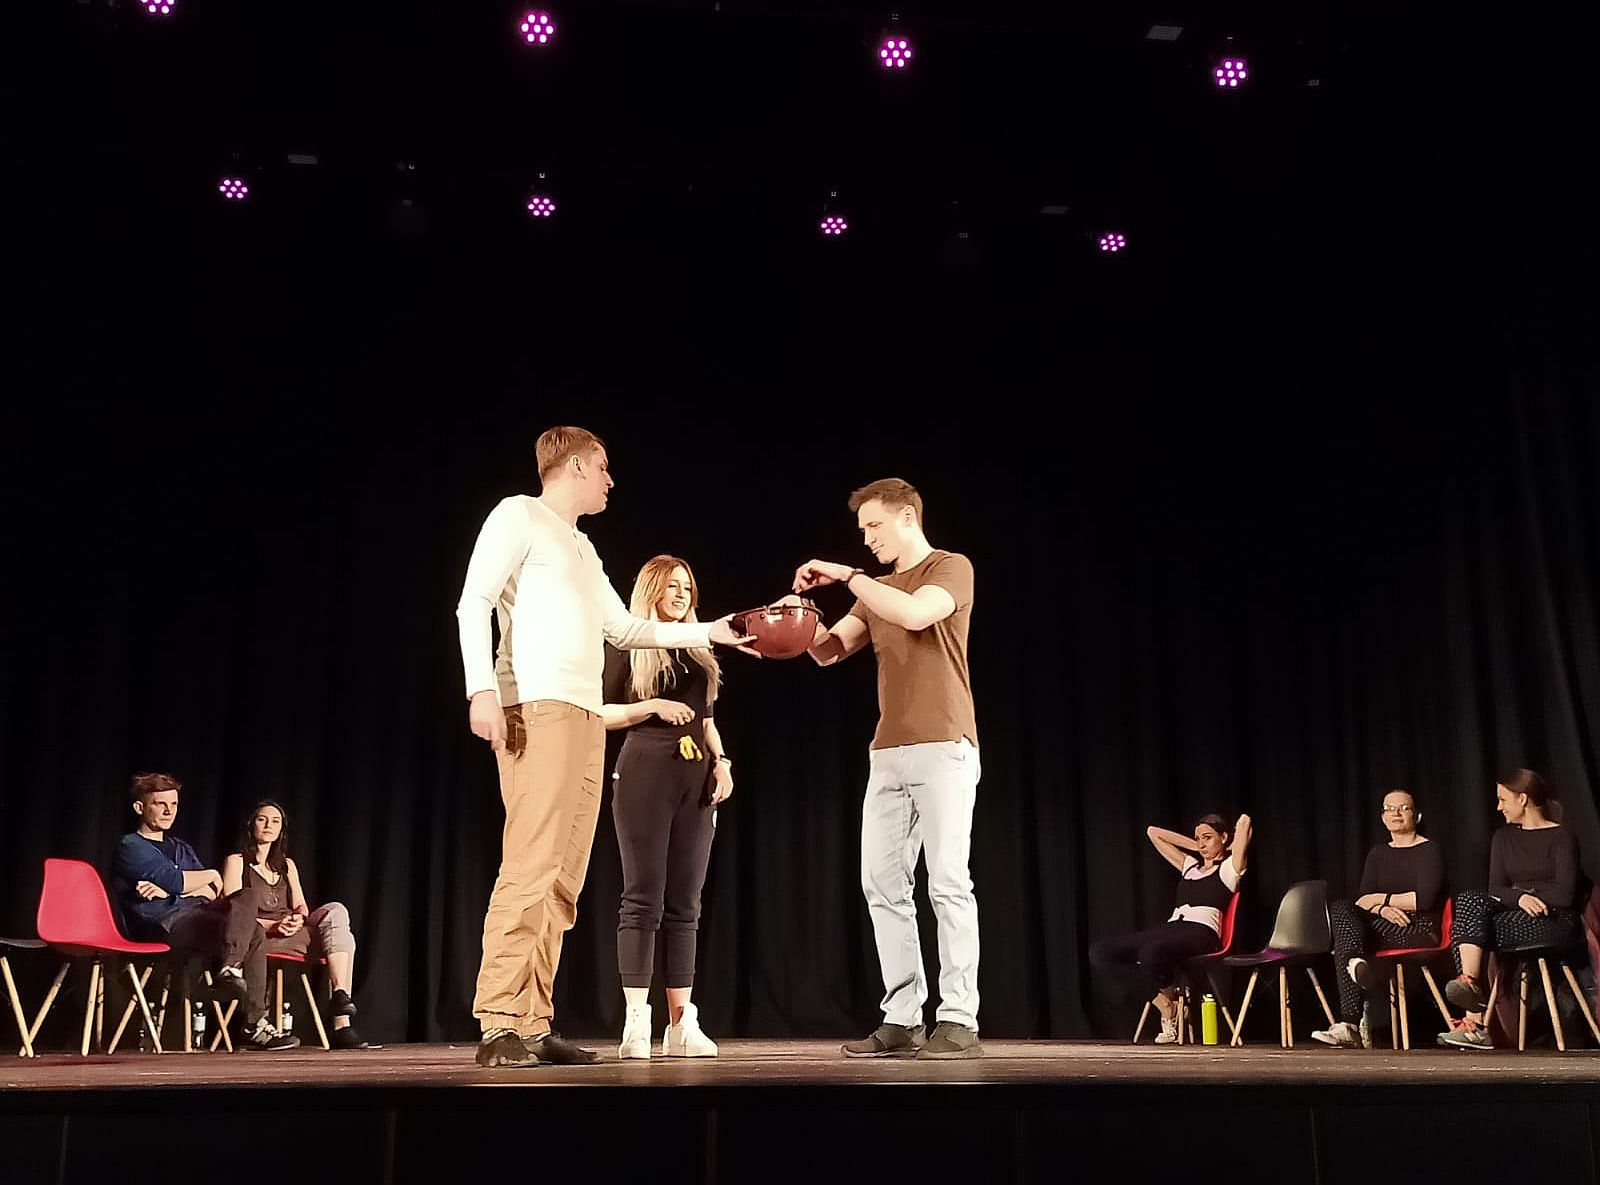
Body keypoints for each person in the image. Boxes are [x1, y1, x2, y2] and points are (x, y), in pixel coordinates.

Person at [456, 426, 754, 1068]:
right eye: (604, 468)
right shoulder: (519, 515)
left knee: (564, 877)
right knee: (531, 865)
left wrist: (713, 630)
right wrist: (481, 689)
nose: (611, 481)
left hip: (586, 712)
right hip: (537, 705)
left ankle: (533, 1023)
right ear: (577, 465)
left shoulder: (583, 547)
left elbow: (622, 627)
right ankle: (500, 1019)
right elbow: (472, 602)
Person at [794, 477, 983, 1060]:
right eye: (862, 531)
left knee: (947, 881)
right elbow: (829, 650)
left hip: (944, 743)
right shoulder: (873, 591)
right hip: (888, 750)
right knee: (882, 884)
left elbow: (918, 614)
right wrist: (796, 622)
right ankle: (902, 1017)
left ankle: (959, 1018)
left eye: (874, 526)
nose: (868, 539)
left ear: (907, 517)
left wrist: (848, 575)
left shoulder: (949, 567)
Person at [601, 556, 734, 1059]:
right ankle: (637, 1020)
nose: (681, 594)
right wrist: (651, 707)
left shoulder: (698, 648)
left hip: (694, 775)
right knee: (643, 897)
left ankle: (681, 1022)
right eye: (672, 586)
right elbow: (599, 712)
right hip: (645, 771)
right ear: (652, 589)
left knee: (686, 903)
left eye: (687, 587)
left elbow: (706, 719)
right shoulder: (627, 645)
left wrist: (722, 762)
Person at [110, 772, 297, 1051]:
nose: (168, 811)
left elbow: (213, 890)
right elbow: (184, 880)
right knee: (252, 929)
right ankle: (241, 993)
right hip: (163, 924)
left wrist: (174, 889)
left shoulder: (180, 848)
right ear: (140, 807)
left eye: (173, 804)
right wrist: (202, 877)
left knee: (250, 909)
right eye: (160, 804)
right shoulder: (131, 846)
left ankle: (245, 1004)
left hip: (198, 916)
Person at [1438, 768, 1581, 1049]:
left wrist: (1527, 898)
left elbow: (1565, 894)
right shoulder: (1503, 837)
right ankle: (1469, 986)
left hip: (1553, 920)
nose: (1498, 807)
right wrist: (1520, 899)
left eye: (1503, 799)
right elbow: (1496, 887)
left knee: (1469, 931)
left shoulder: (1562, 836)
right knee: (1468, 902)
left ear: (1523, 799)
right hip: (1514, 913)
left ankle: (1474, 1023)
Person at [1088, 812, 1253, 1044]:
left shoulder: (1228, 869)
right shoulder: (1189, 866)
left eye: (1207, 837)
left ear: (1224, 837)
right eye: (1198, 838)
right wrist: (1198, 846)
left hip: (1202, 932)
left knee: (1151, 953)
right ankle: (1164, 1003)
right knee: (1101, 953)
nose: (1201, 843)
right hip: (1173, 927)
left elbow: (1244, 821)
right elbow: (1153, 832)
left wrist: (1228, 847)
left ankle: (1169, 1009)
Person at [221, 800, 370, 1050]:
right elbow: (234, 912)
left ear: (282, 829)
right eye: (262, 819)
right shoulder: (236, 861)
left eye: (275, 821)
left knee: (337, 914)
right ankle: (341, 1027)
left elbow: (300, 904)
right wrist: (273, 925)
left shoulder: (287, 865)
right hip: (259, 936)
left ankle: (340, 1000)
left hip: (290, 931)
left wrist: (298, 918)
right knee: (343, 941)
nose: (268, 825)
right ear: (251, 824)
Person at [1311, 788, 1445, 1048]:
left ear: (1416, 815)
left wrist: (1380, 900)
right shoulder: (1378, 854)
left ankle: (1350, 1022)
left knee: (1346, 941)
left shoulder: (1430, 850)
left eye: (1404, 808)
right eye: (1390, 808)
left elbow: (1423, 900)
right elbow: (1362, 900)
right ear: (1383, 817)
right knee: (1341, 908)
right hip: (1381, 925)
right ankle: (1355, 965)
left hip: (1418, 926)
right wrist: (1382, 909)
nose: (1396, 813)